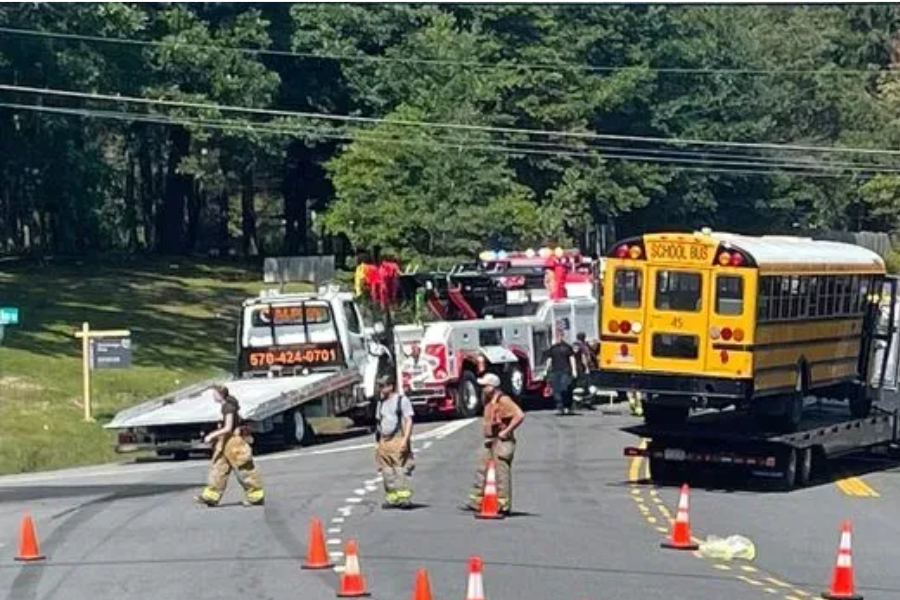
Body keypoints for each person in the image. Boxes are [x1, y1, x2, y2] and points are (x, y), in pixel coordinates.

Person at [461, 373, 525, 515]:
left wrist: (507, 431)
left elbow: (519, 415)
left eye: (485, 386)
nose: (482, 388)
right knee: (481, 469)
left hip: (502, 441)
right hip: (490, 440)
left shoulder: (503, 400)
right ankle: (476, 501)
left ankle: (503, 505)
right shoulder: (489, 399)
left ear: (493, 386)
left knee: (501, 473)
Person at [195, 385, 265, 507]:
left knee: (244, 469)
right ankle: (211, 496)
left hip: (234, 441)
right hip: (225, 442)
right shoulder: (227, 405)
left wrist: (211, 435)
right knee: (219, 468)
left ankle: (256, 496)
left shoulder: (228, 407)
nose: (212, 396)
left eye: (214, 393)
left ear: (219, 394)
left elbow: (228, 428)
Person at [374, 374, 415, 509]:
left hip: (397, 438)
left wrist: (405, 440)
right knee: (387, 472)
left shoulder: (401, 401)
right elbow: (379, 423)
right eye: (379, 386)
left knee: (399, 470)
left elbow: (408, 420)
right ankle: (392, 498)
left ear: (390, 386)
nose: (380, 389)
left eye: (382, 386)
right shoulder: (380, 402)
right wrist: (378, 444)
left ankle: (404, 498)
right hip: (384, 441)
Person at [543, 329, 578, 415]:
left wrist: (574, 370)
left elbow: (571, 358)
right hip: (555, 371)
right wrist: (546, 370)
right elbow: (549, 359)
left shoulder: (567, 347)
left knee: (565, 389)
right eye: (557, 336)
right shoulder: (553, 348)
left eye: (560, 335)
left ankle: (567, 406)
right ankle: (560, 407)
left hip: (565, 371)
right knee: (556, 390)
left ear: (563, 336)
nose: (558, 337)